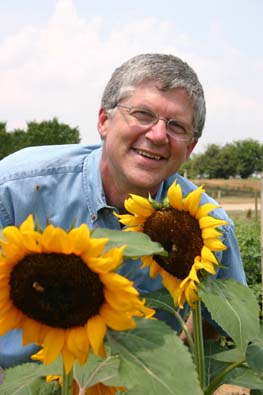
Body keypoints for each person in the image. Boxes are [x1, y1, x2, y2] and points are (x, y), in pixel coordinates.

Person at [0, 53, 246, 368]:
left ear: (190, 147)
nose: (158, 135)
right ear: (104, 121)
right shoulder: (13, 191)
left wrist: (176, 363)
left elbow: (222, 319)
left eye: (176, 126)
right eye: (142, 114)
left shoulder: (206, 228)